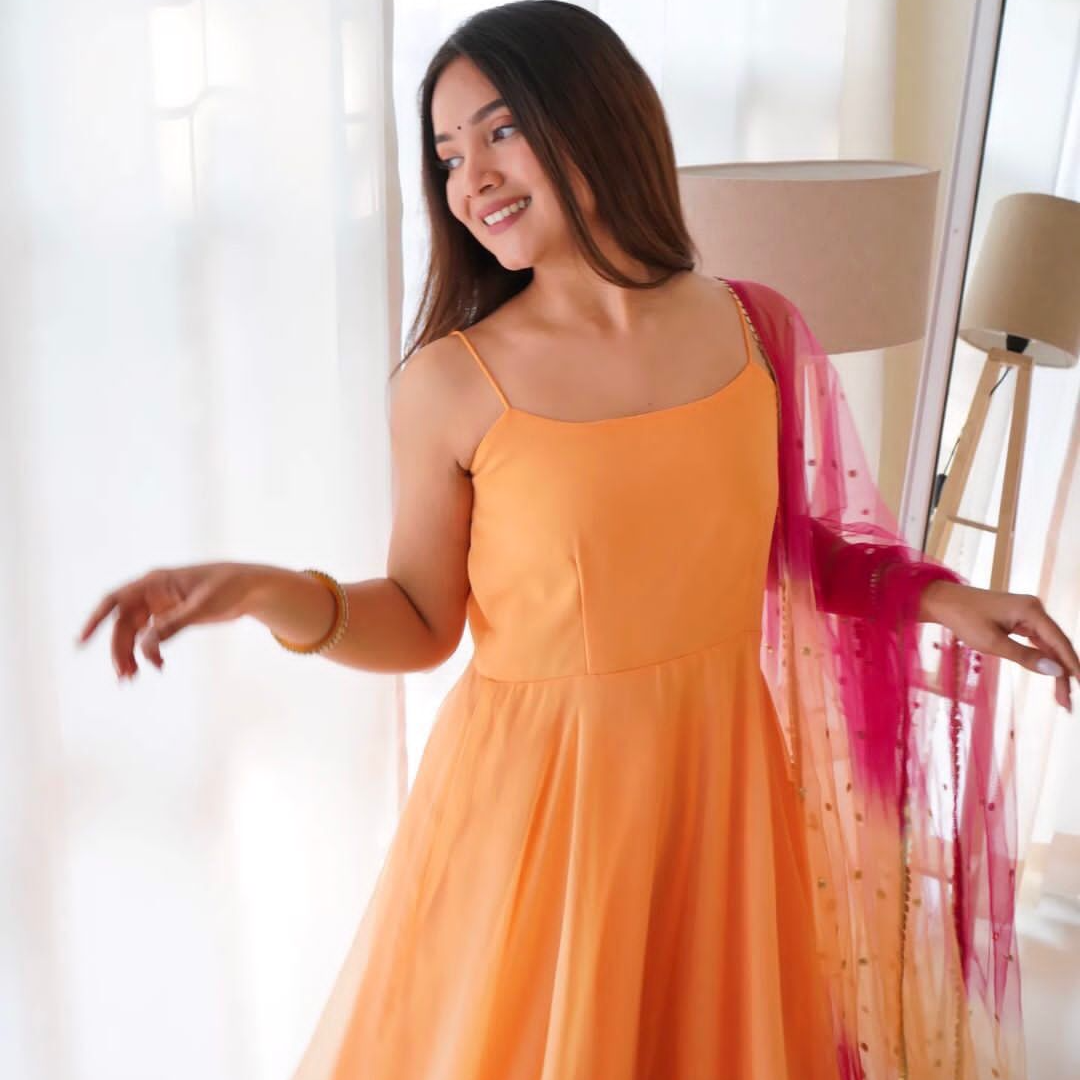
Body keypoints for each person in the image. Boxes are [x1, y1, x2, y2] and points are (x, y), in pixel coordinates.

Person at [78, 3, 1077, 1077]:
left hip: (720, 789)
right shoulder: (450, 383)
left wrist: (948, 599)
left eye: (500, 130)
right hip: (545, 813)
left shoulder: (757, 328)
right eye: (448, 155)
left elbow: (787, 545)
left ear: (598, 116)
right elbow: (418, 621)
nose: (472, 179)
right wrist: (261, 590)